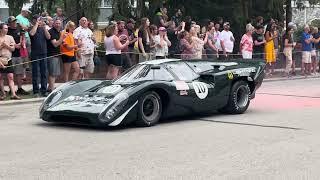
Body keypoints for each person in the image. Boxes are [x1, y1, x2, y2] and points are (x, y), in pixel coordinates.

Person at [29, 15, 51, 97]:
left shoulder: (43, 28)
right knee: (36, 73)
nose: (40, 21)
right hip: (35, 54)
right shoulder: (31, 28)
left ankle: (44, 90)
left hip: (44, 53)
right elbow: (31, 33)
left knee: (44, 73)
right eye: (38, 20)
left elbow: (48, 37)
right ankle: (36, 91)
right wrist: (37, 24)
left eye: (41, 20)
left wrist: (44, 27)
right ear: (34, 20)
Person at [7, 16, 29, 95]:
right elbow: (5, 40)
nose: (14, 23)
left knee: (19, 72)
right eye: (13, 21)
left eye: (15, 21)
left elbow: (23, 38)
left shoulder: (19, 29)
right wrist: (14, 45)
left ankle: (19, 88)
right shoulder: (7, 31)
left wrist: (22, 42)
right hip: (10, 55)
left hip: (19, 54)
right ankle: (11, 89)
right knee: (11, 73)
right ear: (9, 23)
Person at [0, 23, 21, 100]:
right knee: (0, 77)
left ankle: (13, 94)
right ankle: (3, 94)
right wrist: (1, 46)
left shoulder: (10, 37)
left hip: (8, 59)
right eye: (5, 28)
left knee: (11, 77)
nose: (7, 30)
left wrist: (6, 45)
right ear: (1, 29)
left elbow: (13, 49)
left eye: (7, 28)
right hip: (0, 59)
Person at [47, 19, 64, 92]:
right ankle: (52, 90)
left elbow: (60, 43)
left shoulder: (58, 32)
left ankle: (49, 87)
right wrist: (62, 38)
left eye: (59, 23)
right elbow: (55, 44)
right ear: (53, 24)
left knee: (56, 73)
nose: (58, 25)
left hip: (57, 54)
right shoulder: (52, 32)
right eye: (56, 23)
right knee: (52, 73)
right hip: (51, 55)